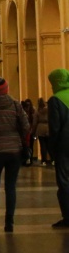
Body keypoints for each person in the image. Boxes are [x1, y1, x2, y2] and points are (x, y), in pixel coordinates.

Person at [0, 77, 30, 232]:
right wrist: (21, 141)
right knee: (10, 187)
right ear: (6, 89)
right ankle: (9, 223)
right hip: (14, 150)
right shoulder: (15, 104)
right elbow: (26, 125)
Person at [47, 69, 69, 228]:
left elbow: (54, 128)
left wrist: (52, 151)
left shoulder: (56, 100)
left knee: (65, 182)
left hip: (64, 147)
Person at [32, 97, 51, 165]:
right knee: (49, 145)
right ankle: (52, 159)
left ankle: (43, 160)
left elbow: (34, 122)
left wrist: (33, 132)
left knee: (42, 145)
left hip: (40, 128)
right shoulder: (49, 110)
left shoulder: (37, 111)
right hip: (48, 128)